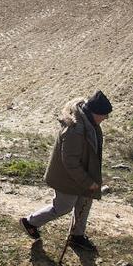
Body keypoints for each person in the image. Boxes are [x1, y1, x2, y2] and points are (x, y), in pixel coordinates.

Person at [19, 90, 112, 252]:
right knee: (62, 207)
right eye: (104, 115)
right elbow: (70, 163)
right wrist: (88, 181)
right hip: (67, 177)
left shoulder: (90, 122)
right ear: (94, 112)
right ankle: (30, 222)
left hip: (83, 173)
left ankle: (77, 237)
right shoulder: (74, 130)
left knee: (85, 201)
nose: (105, 119)